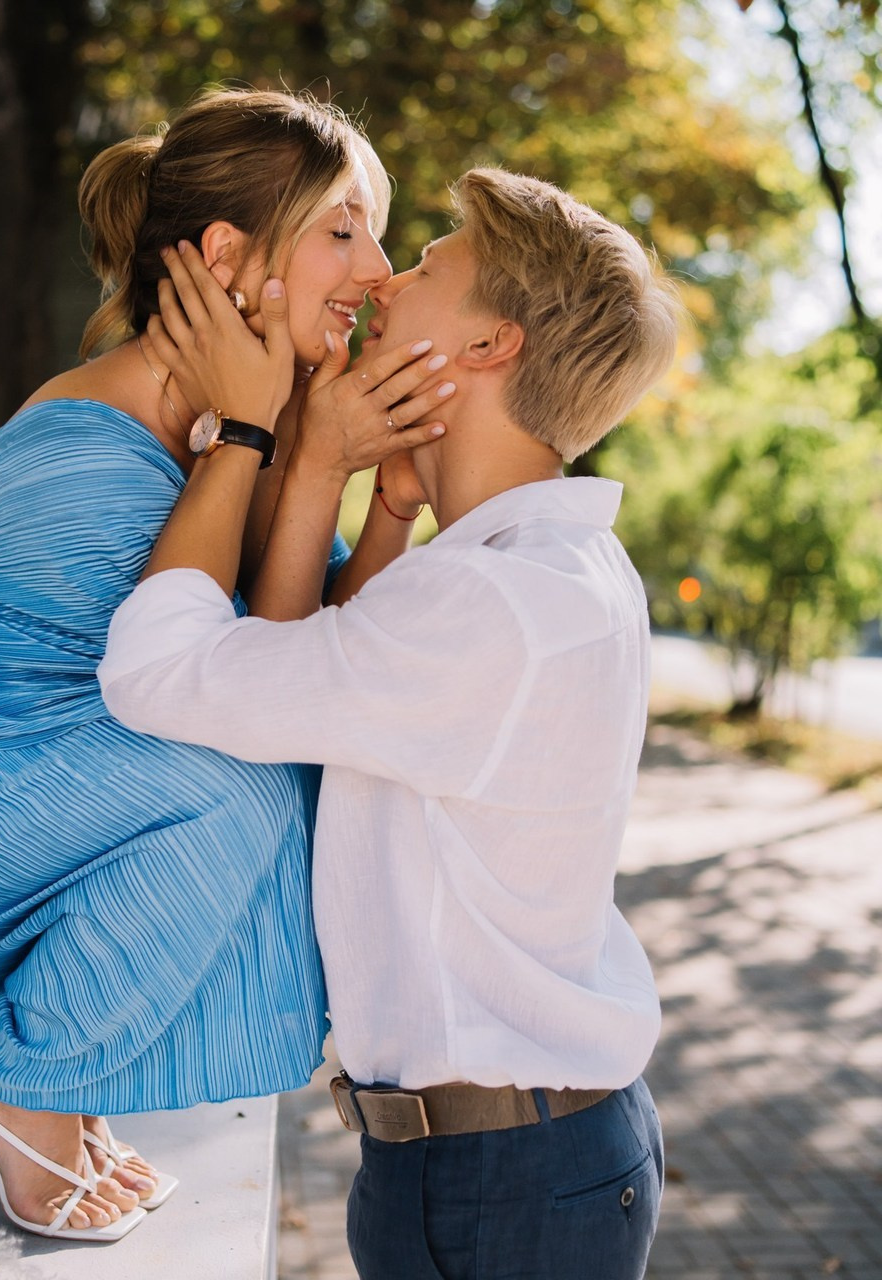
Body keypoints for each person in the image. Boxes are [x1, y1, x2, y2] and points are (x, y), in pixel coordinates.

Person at [0, 88, 439, 1243]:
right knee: (238, 786)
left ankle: (64, 1085)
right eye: (343, 230)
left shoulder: (236, 418)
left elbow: (312, 664)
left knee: (281, 775)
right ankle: (24, 1078)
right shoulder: (90, 454)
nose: (375, 269)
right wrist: (270, 444)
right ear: (226, 257)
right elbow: (240, 695)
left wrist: (381, 501)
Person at [99, 167, 683, 1276]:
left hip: (497, 1182)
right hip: (528, 1153)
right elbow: (304, 686)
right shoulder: (555, 565)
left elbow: (157, 674)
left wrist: (246, 431)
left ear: (488, 345)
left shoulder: (483, 605)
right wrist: (381, 493)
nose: (382, 279)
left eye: (423, 267)